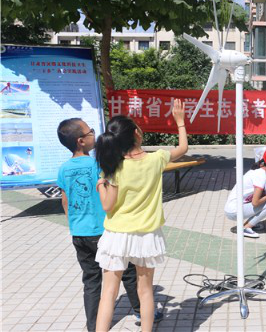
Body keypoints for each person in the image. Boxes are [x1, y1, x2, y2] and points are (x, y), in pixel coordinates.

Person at [94, 99, 188, 332]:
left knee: (108, 292)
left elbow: (107, 206)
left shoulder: (114, 167)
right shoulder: (156, 159)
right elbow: (183, 148)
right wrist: (180, 121)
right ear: (136, 133)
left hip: (117, 234)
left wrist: (100, 185)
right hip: (147, 235)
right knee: (145, 291)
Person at [56, 119, 158, 332]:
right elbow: (110, 198)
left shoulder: (63, 169)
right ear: (81, 141)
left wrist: (73, 225)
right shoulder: (97, 165)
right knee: (128, 272)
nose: (95, 134)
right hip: (102, 231)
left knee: (91, 280)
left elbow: (65, 201)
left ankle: (94, 326)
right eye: (91, 131)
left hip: (79, 233)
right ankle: (141, 311)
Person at [224, 146, 266, 238]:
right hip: (234, 211)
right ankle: (246, 228)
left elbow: (258, 196)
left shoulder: (259, 171)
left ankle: (250, 224)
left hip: (234, 208)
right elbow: (255, 202)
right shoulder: (260, 175)